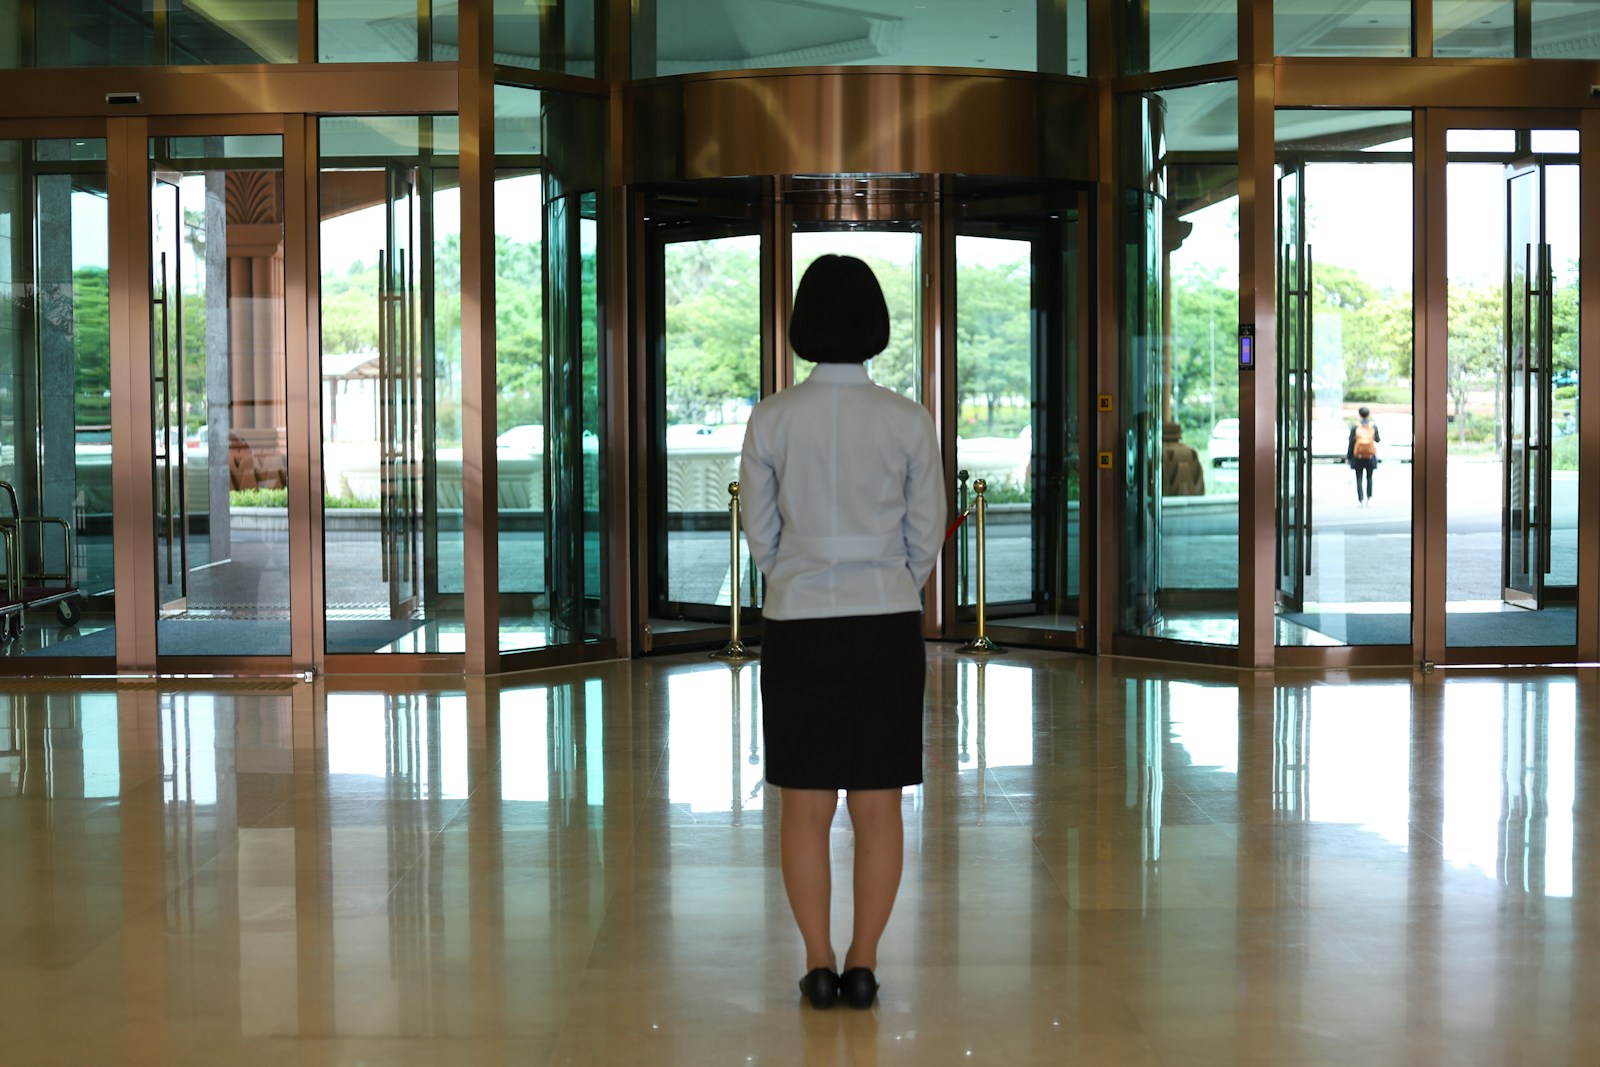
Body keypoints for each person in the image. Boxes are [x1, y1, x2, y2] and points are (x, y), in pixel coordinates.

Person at [739, 255, 946, 1011]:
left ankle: (818, 963)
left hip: (799, 626)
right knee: (877, 803)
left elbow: (758, 527)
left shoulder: (772, 416)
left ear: (802, 324)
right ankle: (864, 963)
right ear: (873, 325)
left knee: (804, 804)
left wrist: (791, 573)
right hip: (885, 622)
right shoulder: (906, 418)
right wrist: (894, 581)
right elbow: (926, 532)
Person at [1346, 405, 1381, 506]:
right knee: (1369, 477)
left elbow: (1351, 444)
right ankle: (1369, 498)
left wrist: (1348, 457)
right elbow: (1378, 439)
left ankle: (1360, 499)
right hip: (1370, 456)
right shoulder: (1373, 426)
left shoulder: (1355, 426)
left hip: (1358, 456)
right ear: (1368, 414)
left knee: (1359, 478)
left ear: (1359, 414)